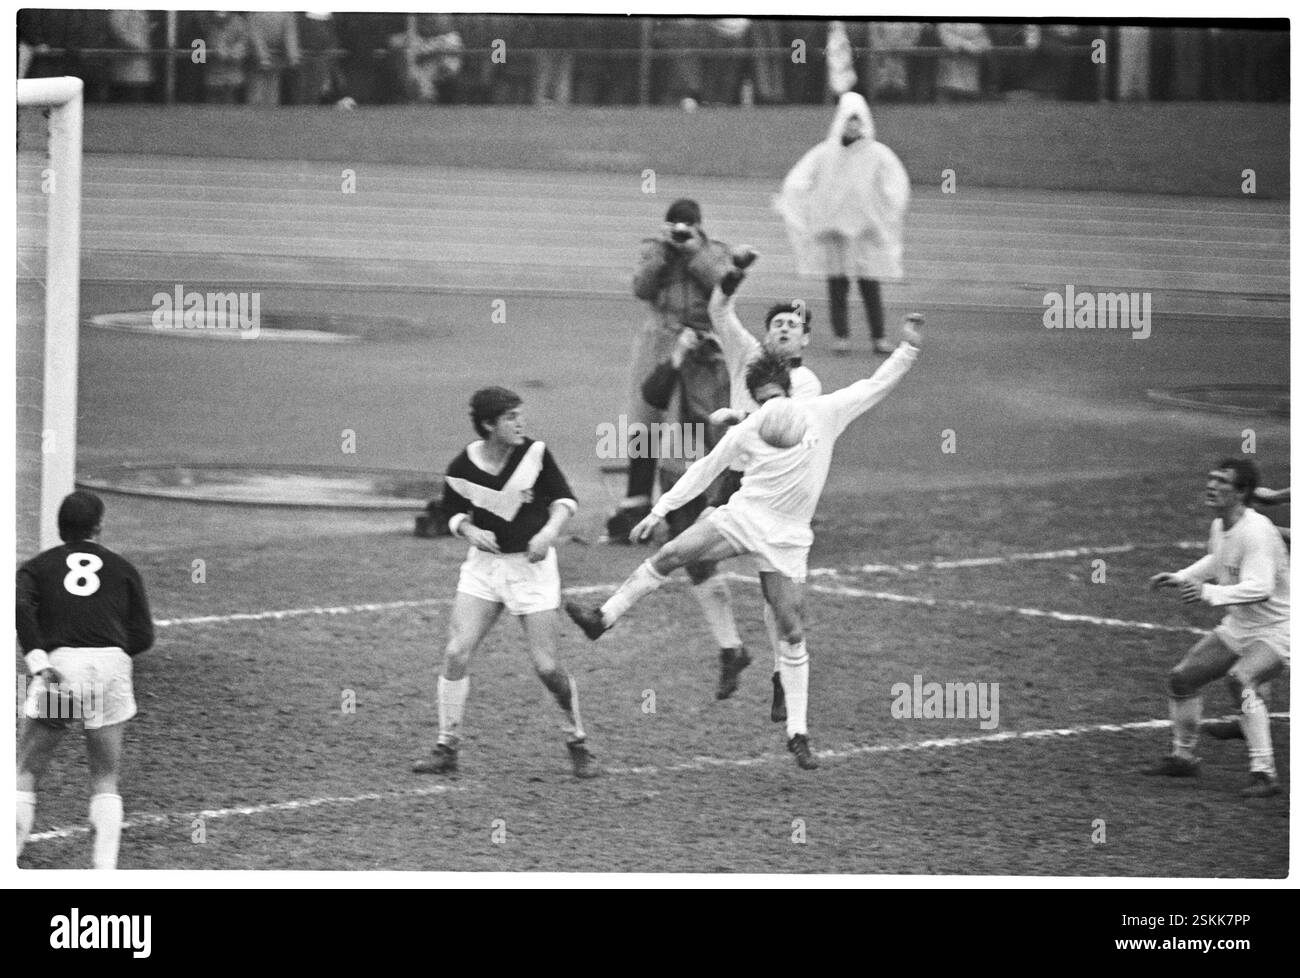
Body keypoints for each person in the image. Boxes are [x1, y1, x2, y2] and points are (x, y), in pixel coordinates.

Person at [567, 317, 924, 770]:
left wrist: (908, 349)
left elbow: (876, 384)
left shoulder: (825, 411)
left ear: (787, 390)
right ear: (755, 398)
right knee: (674, 552)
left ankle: (798, 732)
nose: (768, 404)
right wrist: (658, 512)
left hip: (790, 537)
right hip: (745, 516)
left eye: (773, 395)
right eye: (762, 399)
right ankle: (604, 617)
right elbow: (704, 471)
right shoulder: (747, 429)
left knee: (792, 627)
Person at [413, 387, 598, 778]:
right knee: (456, 653)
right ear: (488, 425)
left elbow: (564, 500)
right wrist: (467, 529)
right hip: (484, 568)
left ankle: (576, 740)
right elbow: (449, 510)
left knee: (547, 667)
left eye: (520, 415)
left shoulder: (535, 455)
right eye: (511, 417)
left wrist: (548, 532)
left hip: (532, 570)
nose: (520, 423)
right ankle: (447, 746)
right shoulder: (463, 466)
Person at [708, 254, 822, 714]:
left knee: (775, 589)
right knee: (693, 558)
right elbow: (719, 310)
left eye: (794, 324)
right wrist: (734, 271)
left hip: (781, 487)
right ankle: (731, 648)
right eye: (777, 322)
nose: (784, 328)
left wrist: (737, 417)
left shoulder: (807, 383)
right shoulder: (747, 355)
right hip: (737, 475)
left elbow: (778, 426)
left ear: (805, 337)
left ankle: (781, 672)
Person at [16, 491, 155, 869]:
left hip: (61, 670)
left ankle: (8, 855)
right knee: (105, 777)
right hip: (110, 667)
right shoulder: (123, 568)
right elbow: (143, 636)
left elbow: (21, 608)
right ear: (98, 528)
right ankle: (103, 869)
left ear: (59, 528)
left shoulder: (36, 568)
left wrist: (38, 659)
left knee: (27, 770)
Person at [1145, 460, 1289, 798]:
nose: (1212, 485)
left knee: (1241, 680)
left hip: (1279, 628)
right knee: (1182, 678)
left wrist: (1209, 592)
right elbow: (1217, 560)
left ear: (1241, 492)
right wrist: (1182, 576)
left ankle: (1265, 773)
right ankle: (1184, 758)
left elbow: (1261, 588)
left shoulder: (1256, 530)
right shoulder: (1220, 525)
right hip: (1241, 624)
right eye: (1210, 478)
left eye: (1222, 481)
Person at [610, 198, 732, 540]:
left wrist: (695, 254)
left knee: (691, 424)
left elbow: (723, 288)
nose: (680, 232)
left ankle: (687, 506)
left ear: (698, 226)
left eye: (686, 226)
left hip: (700, 347)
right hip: (658, 341)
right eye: (675, 225)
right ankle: (635, 503)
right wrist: (665, 254)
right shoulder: (653, 250)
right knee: (644, 423)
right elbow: (642, 288)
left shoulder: (715, 252)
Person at [639, 325, 745, 698]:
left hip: (724, 468)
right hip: (680, 467)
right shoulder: (678, 359)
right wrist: (678, 356)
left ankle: (785, 665)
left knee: (770, 557)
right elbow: (651, 396)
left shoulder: (737, 358)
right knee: (694, 560)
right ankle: (731, 648)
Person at [775, 92, 910, 356]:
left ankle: (879, 336)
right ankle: (841, 336)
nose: (853, 126)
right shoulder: (825, 153)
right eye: (849, 120)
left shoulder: (877, 154)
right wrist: (793, 205)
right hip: (834, 230)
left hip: (865, 231)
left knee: (869, 284)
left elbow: (897, 184)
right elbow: (798, 180)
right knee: (838, 284)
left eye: (857, 120)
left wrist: (886, 213)